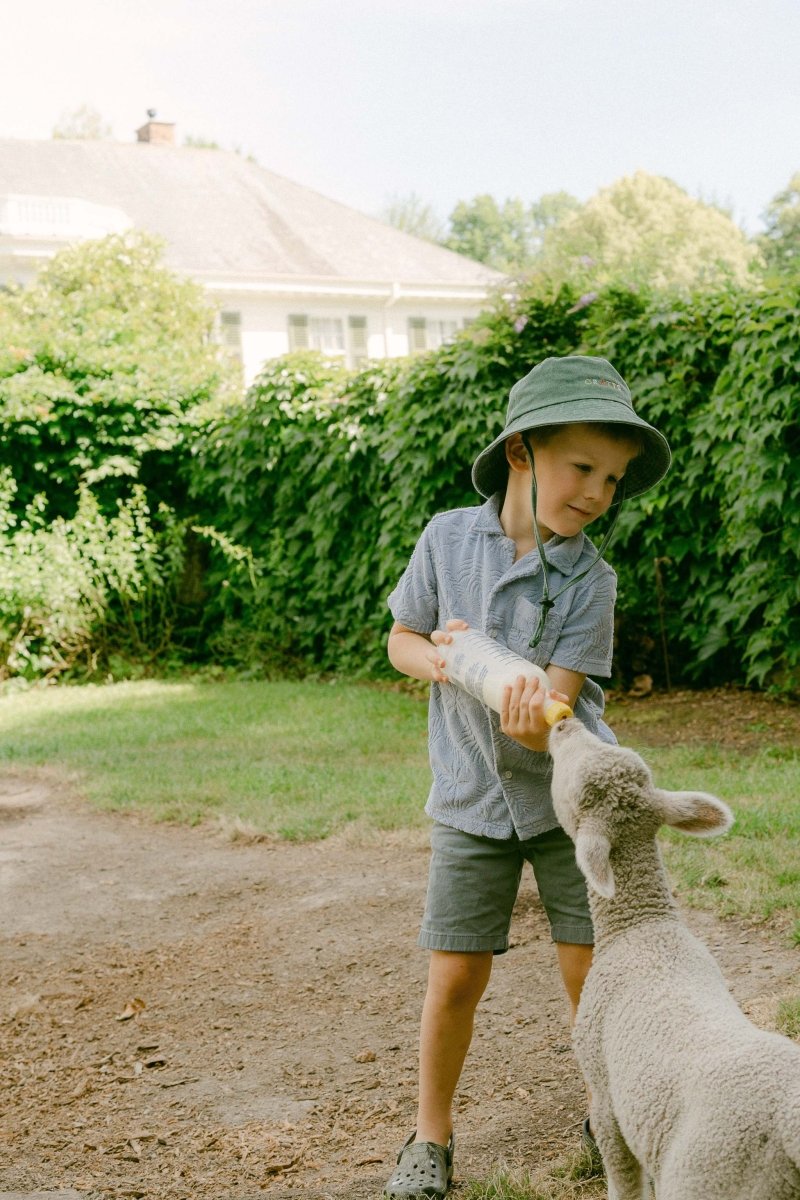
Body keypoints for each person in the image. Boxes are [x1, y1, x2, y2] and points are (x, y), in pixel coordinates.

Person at [382, 354, 671, 1198]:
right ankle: (429, 1141)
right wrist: (443, 661)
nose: (597, 492)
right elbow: (402, 637)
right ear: (521, 453)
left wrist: (534, 704)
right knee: (456, 975)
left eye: (612, 479)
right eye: (582, 467)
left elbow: (563, 701)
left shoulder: (592, 580)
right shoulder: (444, 540)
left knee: (591, 971)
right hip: (469, 803)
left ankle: (606, 1115)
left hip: (568, 808)